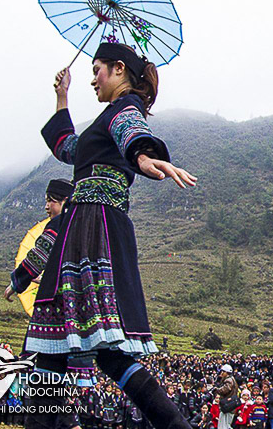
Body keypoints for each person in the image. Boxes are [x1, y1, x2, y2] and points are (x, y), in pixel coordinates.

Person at [23, 43, 197, 429]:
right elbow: (69, 148)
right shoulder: (103, 121)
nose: (92, 78)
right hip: (82, 228)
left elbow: (131, 131)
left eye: (97, 69)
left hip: (93, 229)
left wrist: (143, 155)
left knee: (89, 349)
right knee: (59, 344)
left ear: (119, 70)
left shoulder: (123, 109)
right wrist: (62, 96)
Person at [5, 178, 74, 301]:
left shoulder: (58, 224)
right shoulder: (82, 222)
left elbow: (39, 255)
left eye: (50, 201)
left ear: (65, 201)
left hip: (61, 296)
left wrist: (16, 283)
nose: (46, 207)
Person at [216, 365, 239, 429]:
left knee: (223, 426)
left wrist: (216, 390)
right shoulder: (232, 379)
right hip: (230, 406)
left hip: (227, 406)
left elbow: (225, 390)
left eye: (223, 371)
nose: (222, 373)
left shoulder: (229, 380)